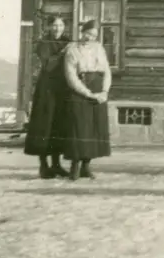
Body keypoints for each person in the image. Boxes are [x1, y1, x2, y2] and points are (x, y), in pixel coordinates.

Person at [61, 19, 113, 180]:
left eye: (94, 35)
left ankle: (86, 166)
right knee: (79, 129)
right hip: (80, 92)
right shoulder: (72, 50)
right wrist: (89, 94)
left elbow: (107, 71)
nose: (90, 37)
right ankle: (74, 167)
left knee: (93, 130)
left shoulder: (99, 49)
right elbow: (71, 78)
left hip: (98, 89)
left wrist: (104, 91)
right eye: (88, 34)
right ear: (82, 32)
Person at [24, 15, 71, 179]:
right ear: (50, 27)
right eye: (55, 25)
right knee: (44, 125)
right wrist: (63, 53)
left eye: (61, 25)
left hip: (62, 89)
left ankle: (56, 165)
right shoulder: (43, 44)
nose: (58, 28)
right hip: (46, 89)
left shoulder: (67, 41)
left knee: (58, 125)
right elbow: (48, 64)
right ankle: (44, 166)